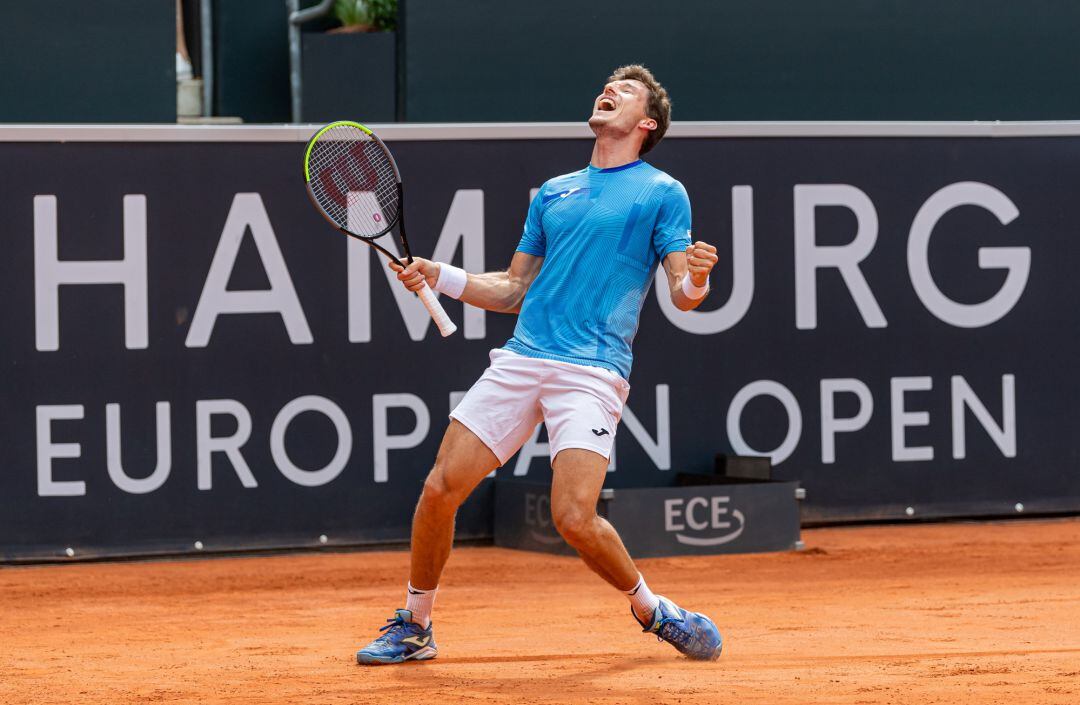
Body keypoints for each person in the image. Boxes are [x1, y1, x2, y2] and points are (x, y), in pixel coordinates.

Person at [357, 65, 722, 665]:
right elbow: (510, 289)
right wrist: (441, 275)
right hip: (523, 358)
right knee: (439, 489)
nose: (609, 89)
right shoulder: (555, 192)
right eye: (608, 84)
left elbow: (682, 292)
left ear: (647, 122)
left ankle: (653, 610)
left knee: (573, 517)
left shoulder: (662, 192)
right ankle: (415, 625)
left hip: (592, 370)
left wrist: (699, 279)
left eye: (625, 90)